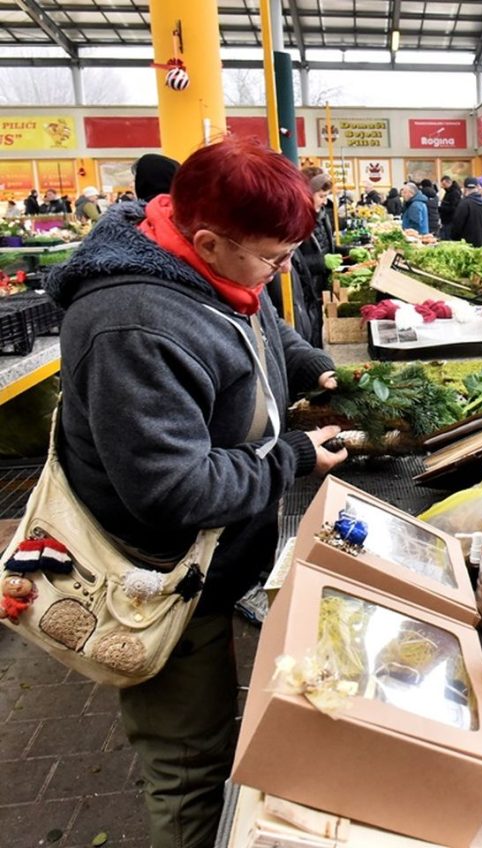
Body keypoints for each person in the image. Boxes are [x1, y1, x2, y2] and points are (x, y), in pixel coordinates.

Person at [44, 135, 347, 848]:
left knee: (213, 727)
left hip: (215, 564)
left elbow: (260, 327)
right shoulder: (131, 325)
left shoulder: (204, 267)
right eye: (273, 258)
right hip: (160, 577)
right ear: (207, 241)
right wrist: (293, 456)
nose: (281, 271)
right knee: (187, 765)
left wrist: (314, 367)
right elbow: (174, 490)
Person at [269, 167, 333, 348]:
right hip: (302, 295)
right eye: (321, 196)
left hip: (312, 293)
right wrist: (322, 262)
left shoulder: (320, 217)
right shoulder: (295, 224)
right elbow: (298, 264)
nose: (325, 201)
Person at [447, 177, 482, 248]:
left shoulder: (463, 204)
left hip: (467, 246)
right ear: (477, 187)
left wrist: (454, 239)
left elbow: (457, 226)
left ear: (465, 188)